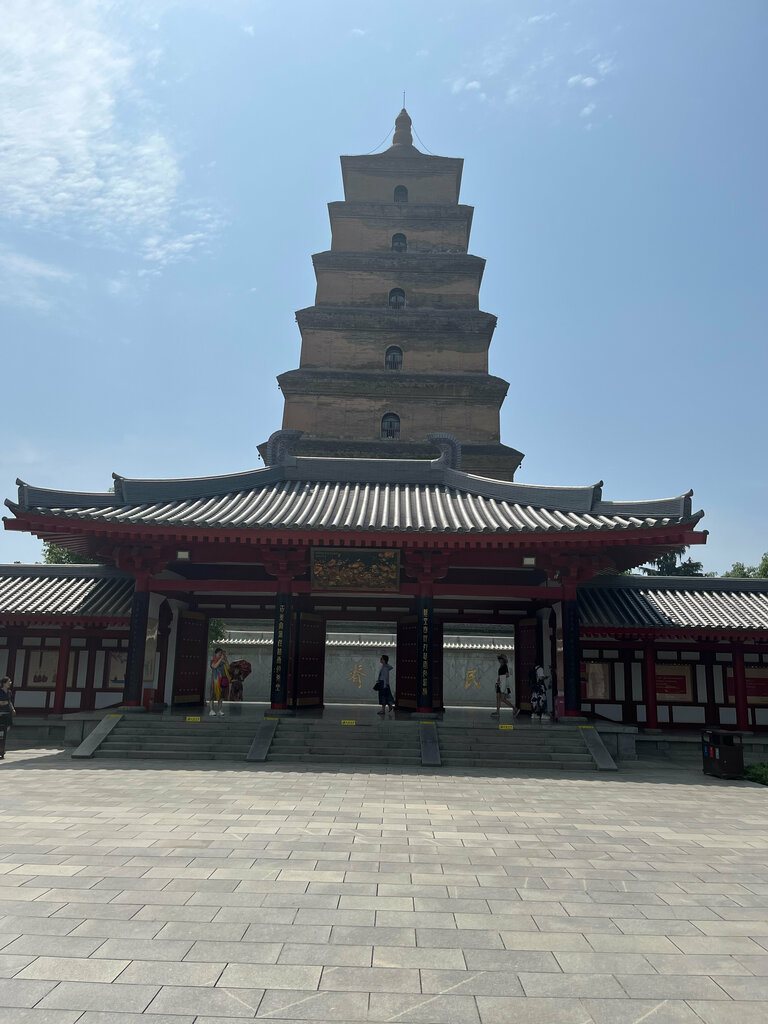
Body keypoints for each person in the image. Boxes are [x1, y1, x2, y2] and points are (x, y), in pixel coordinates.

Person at [209, 647, 230, 716]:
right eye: (219, 653)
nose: (220, 655)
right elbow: (214, 666)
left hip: (222, 681)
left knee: (221, 697)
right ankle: (211, 710)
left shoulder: (223, 662)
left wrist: (225, 659)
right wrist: (220, 659)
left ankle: (219, 710)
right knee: (212, 696)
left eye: (221, 654)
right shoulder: (213, 661)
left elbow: (228, 668)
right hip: (215, 682)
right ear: (216, 654)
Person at [0, 677, 15, 758]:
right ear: (4, 683)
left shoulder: (9, 692)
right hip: (0, 713)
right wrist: (2, 703)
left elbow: (9, 701)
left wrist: (12, 709)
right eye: (9, 681)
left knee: (6, 731)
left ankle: (2, 750)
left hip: (7, 713)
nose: (10, 683)